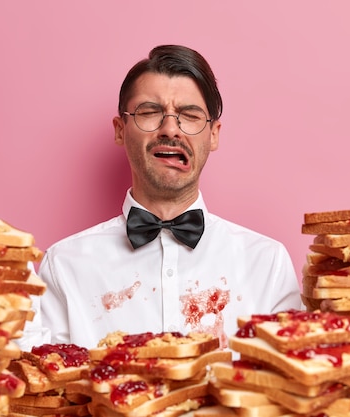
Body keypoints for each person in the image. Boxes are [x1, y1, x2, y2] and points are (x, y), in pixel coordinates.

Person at [19, 44, 302, 351]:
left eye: (189, 115)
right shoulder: (64, 266)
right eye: (150, 112)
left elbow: (290, 385)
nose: (170, 129)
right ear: (120, 130)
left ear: (214, 134)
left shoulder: (267, 263)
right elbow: (45, 386)